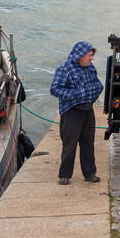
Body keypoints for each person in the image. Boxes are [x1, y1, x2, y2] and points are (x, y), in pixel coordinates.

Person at [50, 40, 103, 184]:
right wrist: (77, 94)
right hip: (71, 112)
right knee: (70, 144)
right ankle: (64, 175)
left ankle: (90, 174)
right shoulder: (65, 69)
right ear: (80, 55)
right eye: (89, 55)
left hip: (87, 110)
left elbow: (97, 85)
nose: (91, 58)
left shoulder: (90, 68)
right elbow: (55, 89)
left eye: (92, 55)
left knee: (88, 143)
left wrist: (91, 94)